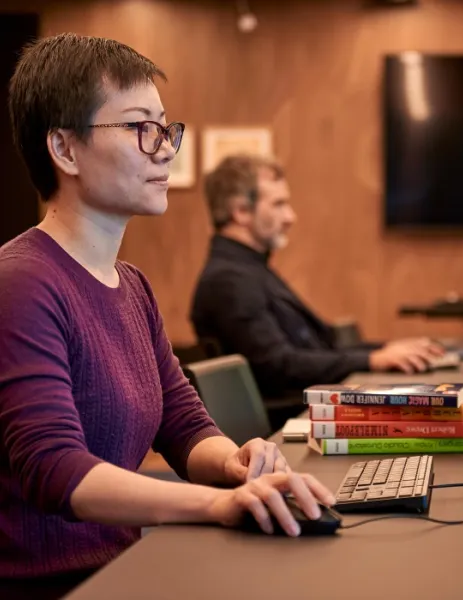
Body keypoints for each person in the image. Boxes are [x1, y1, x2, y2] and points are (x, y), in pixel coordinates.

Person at [0, 33, 334, 600]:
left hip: (121, 570)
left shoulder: (133, 287)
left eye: (165, 128)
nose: (165, 149)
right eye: (139, 128)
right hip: (52, 584)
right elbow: (54, 468)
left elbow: (183, 428)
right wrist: (219, 504)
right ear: (64, 149)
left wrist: (237, 463)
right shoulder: (21, 282)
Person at [190, 154, 445, 415]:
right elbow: (278, 366)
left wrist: (384, 350)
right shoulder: (228, 280)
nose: (290, 217)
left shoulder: (250, 270)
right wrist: (374, 359)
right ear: (241, 211)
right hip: (291, 423)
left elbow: (323, 345)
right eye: (278, 204)